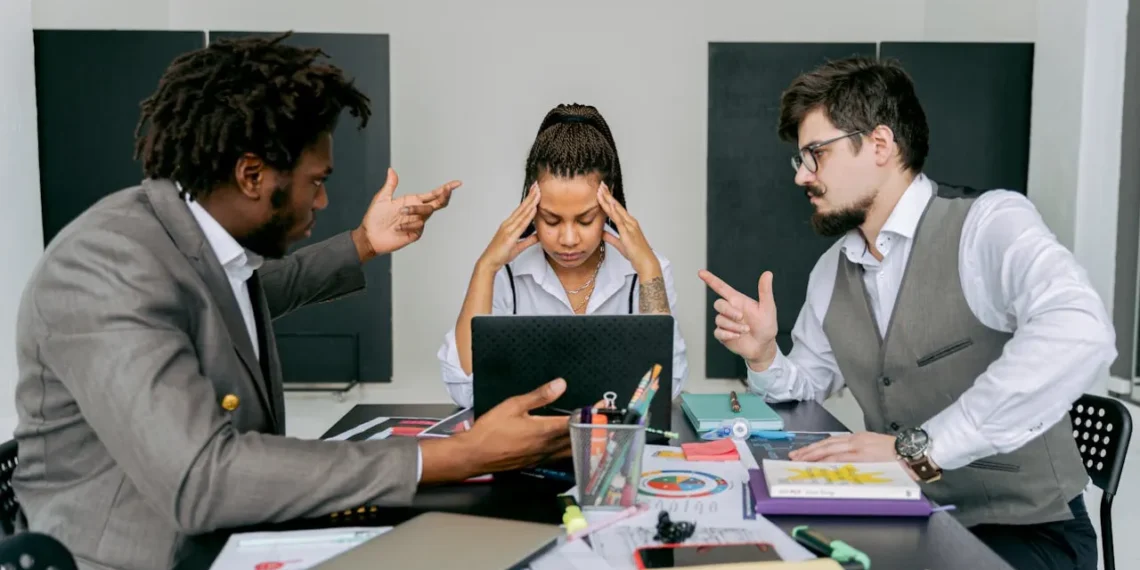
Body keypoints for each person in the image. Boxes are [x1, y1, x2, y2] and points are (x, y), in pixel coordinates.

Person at [12, 33, 571, 570]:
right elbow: (203, 479)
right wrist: (459, 456)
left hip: (230, 541)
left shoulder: (193, 243)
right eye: (316, 181)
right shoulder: (106, 263)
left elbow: (259, 292)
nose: (324, 199)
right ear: (252, 174)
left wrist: (365, 243)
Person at [700, 56, 1111, 570]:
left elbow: (1080, 329)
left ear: (879, 144)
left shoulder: (988, 225)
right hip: (908, 515)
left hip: (1028, 532)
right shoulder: (833, 269)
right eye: (798, 160)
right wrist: (763, 357)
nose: (802, 176)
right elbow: (806, 385)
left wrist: (921, 449)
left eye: (815, 155)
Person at [438, 103, 688, 408]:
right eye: (551, 220)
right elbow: (466, 387)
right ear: (530, 210)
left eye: (585, 220)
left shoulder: (649, 271)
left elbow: (663, 388)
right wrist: (485, 267)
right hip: (524, 450)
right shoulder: (504, 273)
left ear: (610, 207)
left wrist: (648, 268)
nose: (568, 239)